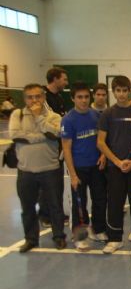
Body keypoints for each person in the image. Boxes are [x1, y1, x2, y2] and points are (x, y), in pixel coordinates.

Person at [9, 84, 66, 252]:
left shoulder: (54, 117)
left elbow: (56, 134)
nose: (34, 100)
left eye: (38, 96)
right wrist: (42, 136)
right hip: (26, 171)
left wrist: (39, 119)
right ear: (24, 99)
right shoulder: (17, 115)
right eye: (30, 97)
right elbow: (15, 136)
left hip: (50, 169)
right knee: (27, 207)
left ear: (44, 97)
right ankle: (31, 239)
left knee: (55, 206)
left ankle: (59, 237)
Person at [97, 76, 131, 254]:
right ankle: (115, 238)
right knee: (115, 202)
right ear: (114, 91)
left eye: (124, 90)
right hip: (115, 168)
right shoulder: (108, 114)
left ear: (129, 90)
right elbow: (101, 143)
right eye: (118, 90)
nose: (121, 94)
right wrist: (118, 162)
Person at [61, 82, 108, 251]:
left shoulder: (96, 116)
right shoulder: (68, 120)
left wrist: (103, 155)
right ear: (73, 98)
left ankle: (98, 229)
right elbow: (66, 148)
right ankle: (80, 237)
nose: (83, 100)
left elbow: (102, 140)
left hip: (96, 166)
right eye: (79, 97)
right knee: (79, 204)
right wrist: (73, 174)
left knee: (100, 199)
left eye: (86, 97)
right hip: (78, 169)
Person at [40, 67, 69, 227]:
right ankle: (46, 216)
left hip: (59, 147)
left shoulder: (59, 98)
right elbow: (47, 123)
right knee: (48, 183)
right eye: (64, 79)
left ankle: (56, 213)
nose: (66, 82)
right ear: (55, 79)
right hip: (47, 149)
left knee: (57, 182)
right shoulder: (43, 97)